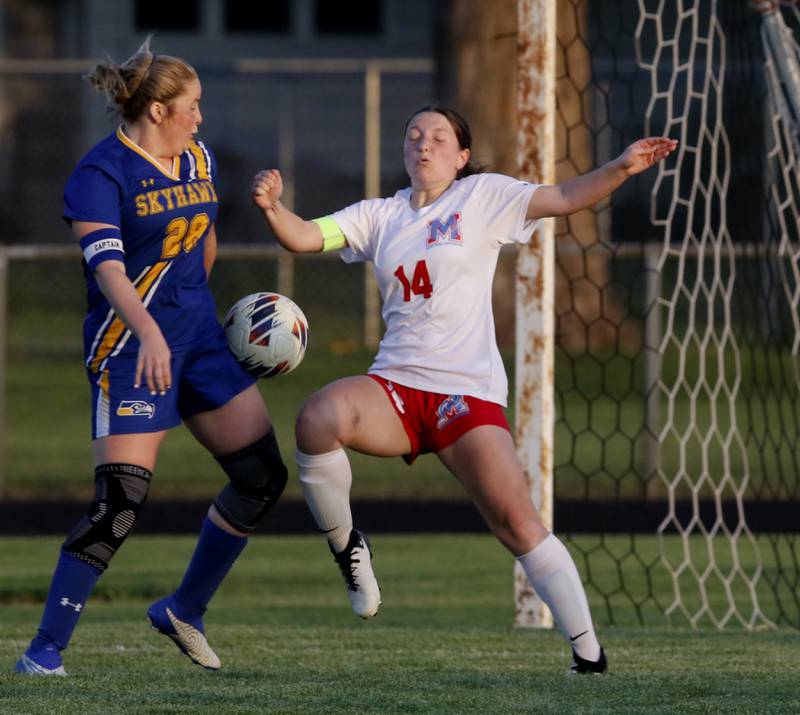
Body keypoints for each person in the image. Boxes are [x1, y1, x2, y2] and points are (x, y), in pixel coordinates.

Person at [251, 105, 677, 674]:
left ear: (461, 156)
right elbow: (304, 237)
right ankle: (350, 549)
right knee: (316, 418)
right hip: (396, 391)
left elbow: (566, 196)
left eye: (438, 138)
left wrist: (621, 168)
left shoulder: (483, 198)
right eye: (413, 136)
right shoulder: (380, 215)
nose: (423, 145)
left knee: (516, 524)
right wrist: (273, 208)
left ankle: (588, 654)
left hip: (465, 397)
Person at [15, 40, 289, 676]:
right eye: (192, 106)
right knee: (120, 502)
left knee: (261, 477)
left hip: (197, 341)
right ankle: (43, 653)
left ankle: (183, 610)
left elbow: (204, 237)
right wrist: (152, 330)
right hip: (130, 348)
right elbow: (107, 268)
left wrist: (204, 318)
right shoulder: (100, 173)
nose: (201, 117)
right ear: (159, 109)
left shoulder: (198, 157)